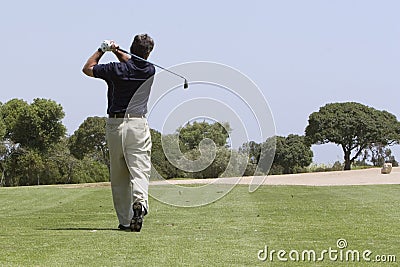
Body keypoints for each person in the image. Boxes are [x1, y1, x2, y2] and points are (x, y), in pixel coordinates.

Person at [82, 34, 155, 232]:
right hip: (138, 125)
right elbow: (133, 62)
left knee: (120, 175)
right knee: (139, 170)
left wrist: (102, 49)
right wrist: (116, 51)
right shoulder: (149, 70)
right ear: (149, 53)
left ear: (131, 48)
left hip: (115, 125)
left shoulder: (115, 69)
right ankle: (140, 203)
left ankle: (125, 221)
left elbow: (87, 68)